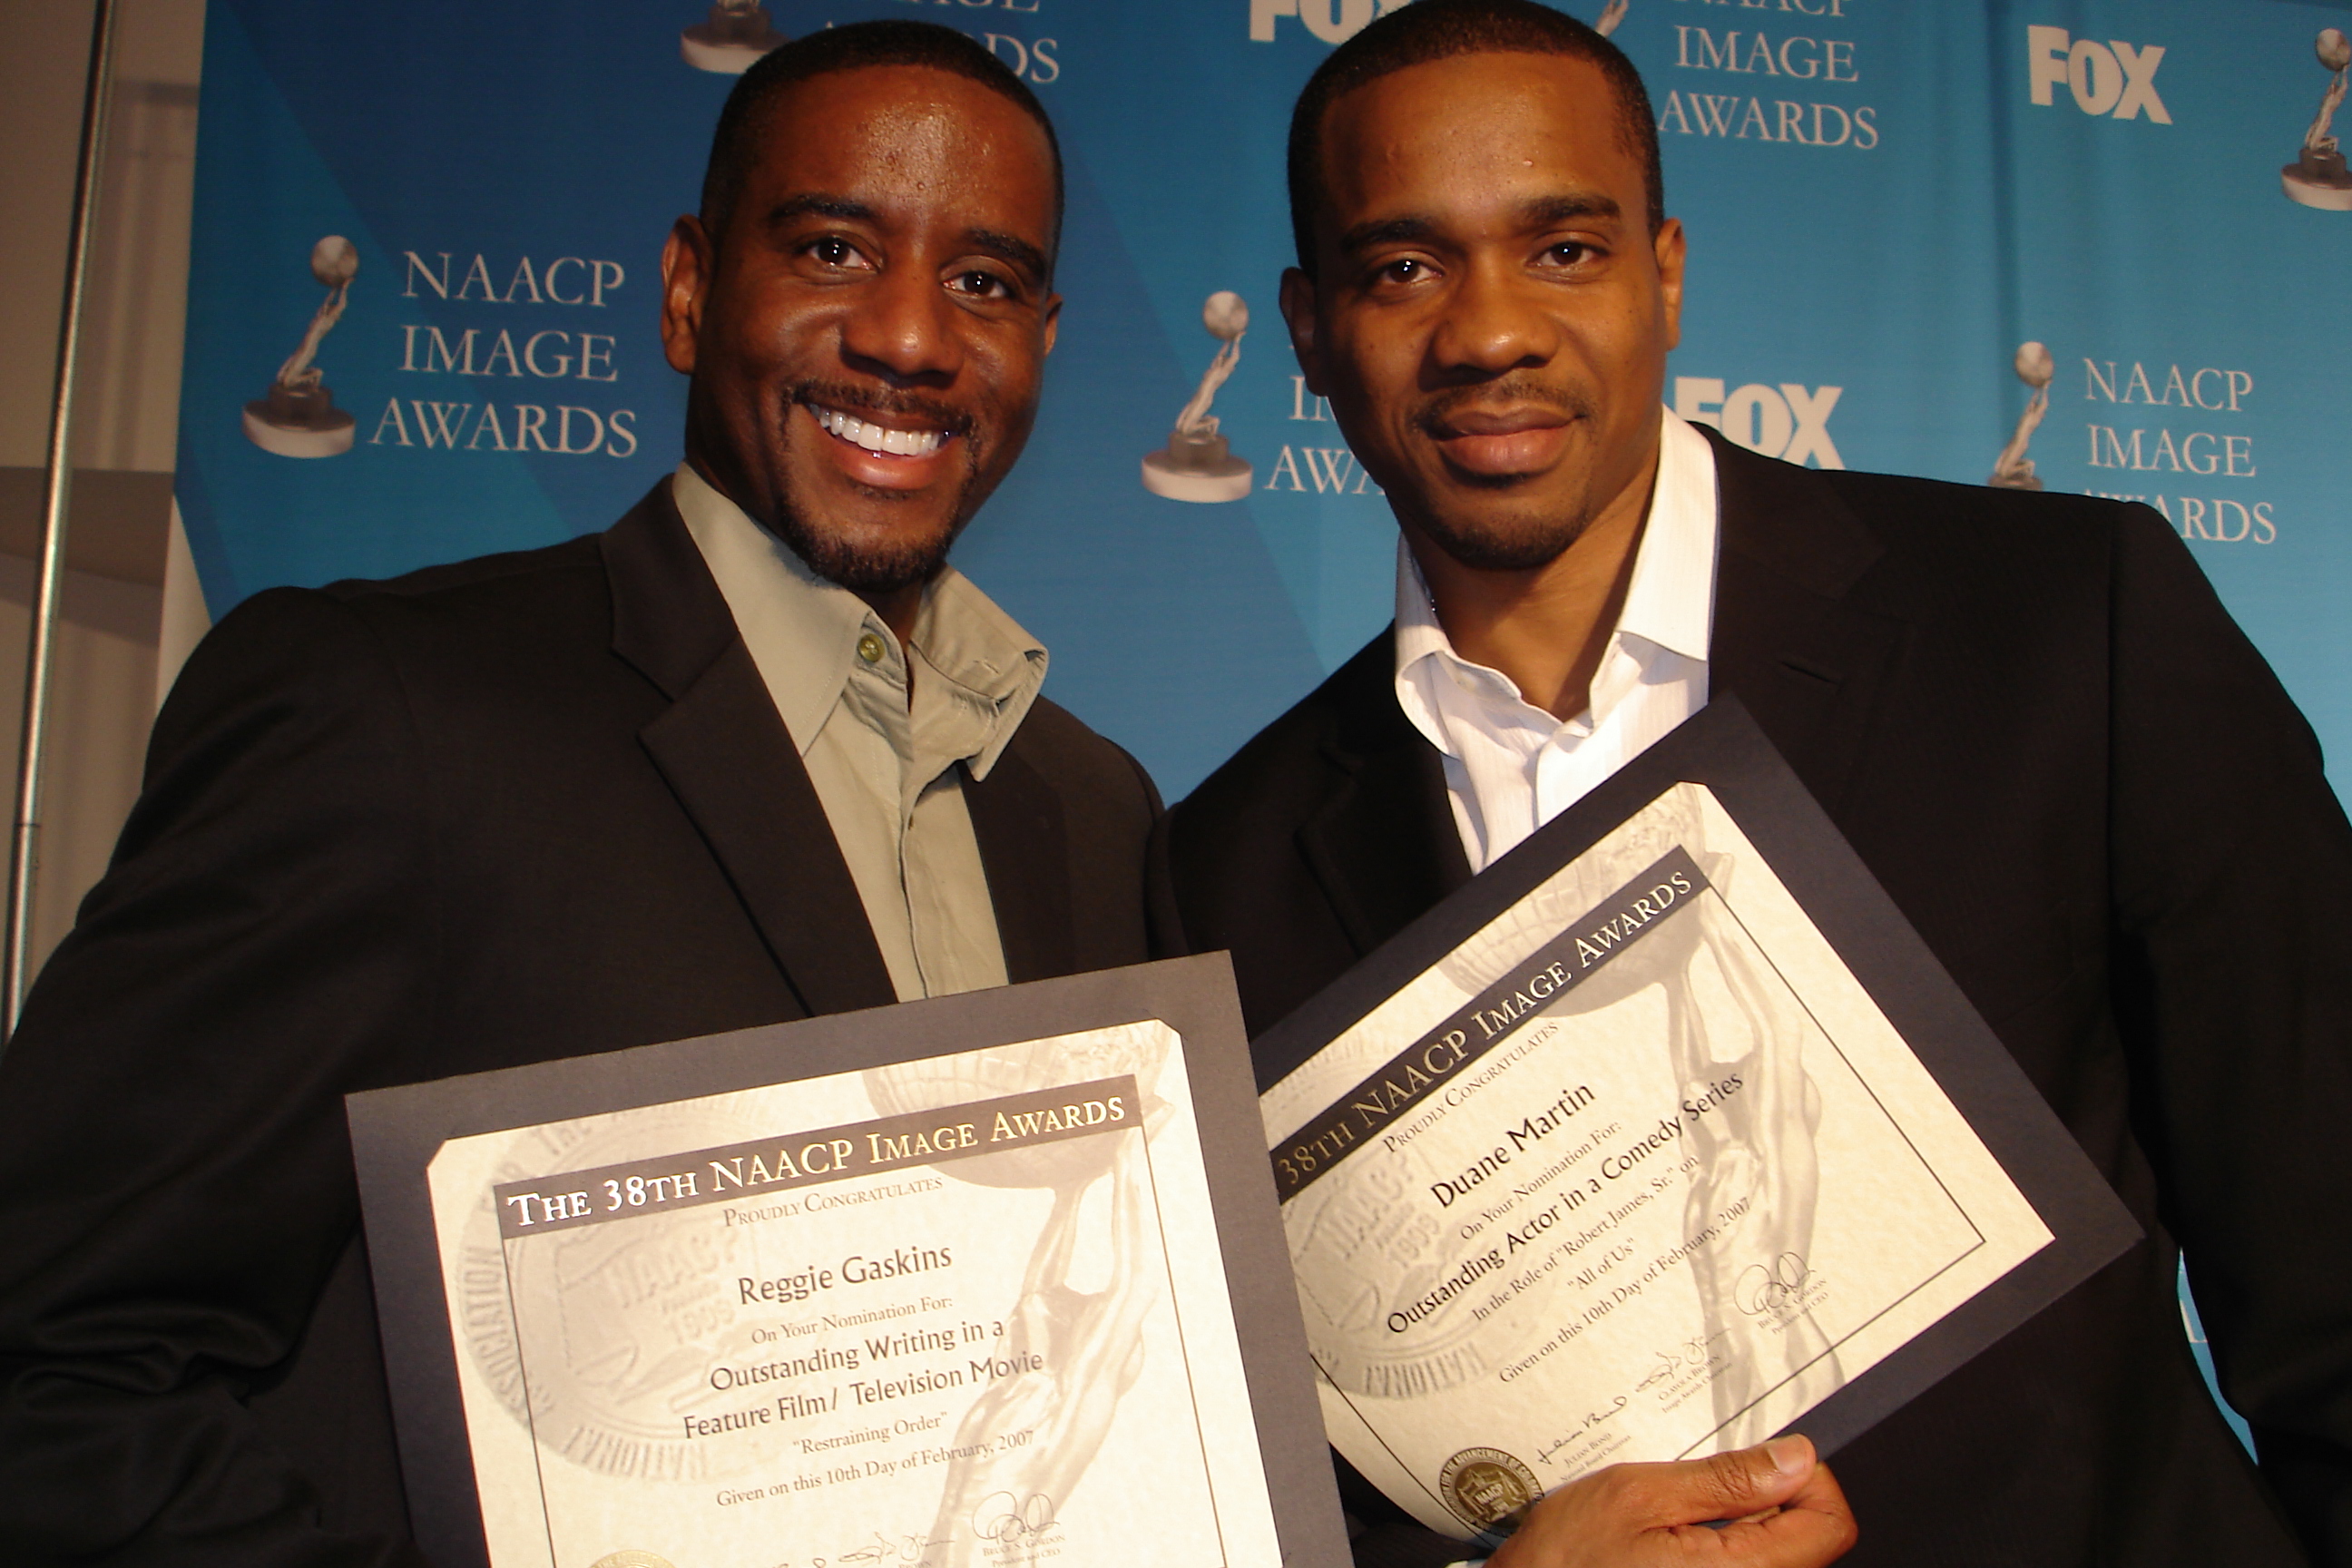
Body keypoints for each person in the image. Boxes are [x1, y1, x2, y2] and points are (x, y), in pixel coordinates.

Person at [1166, 3, 2352, 1566]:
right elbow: (1289, 1491)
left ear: (1664, 275)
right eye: (1404, 268)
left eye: (1565, 250)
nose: (1490, 329)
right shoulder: (1218, 870)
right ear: (1308, 332)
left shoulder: (2068, 625)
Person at [0, 24, 1160, 1565]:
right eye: (832, 247)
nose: (910, 336)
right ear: (691, 289)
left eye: (986, 282)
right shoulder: (383, 707)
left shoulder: (1091, 810)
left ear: (1042, 341)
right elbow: (54, 1361)